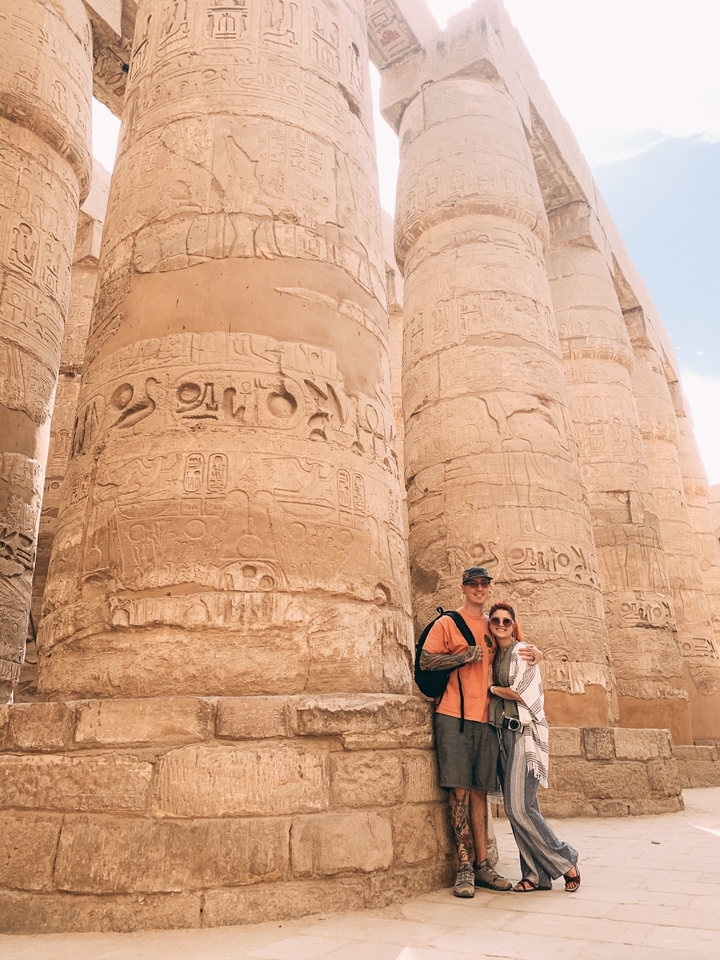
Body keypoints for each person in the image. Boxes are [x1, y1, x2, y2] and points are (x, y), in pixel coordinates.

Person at [420, 567, 542, 898]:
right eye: (472, 584)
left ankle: (483, 865)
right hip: (453, 716)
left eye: (483, 584)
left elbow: (519, 650)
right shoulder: (447, 623)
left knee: (479, 793)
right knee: (458, 791)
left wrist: (538, 653)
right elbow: (426, 661)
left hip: (487, 719)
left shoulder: (493, 624)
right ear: (463, 588)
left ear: (488, 589)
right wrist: (462, 657)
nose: (478, 588)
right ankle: (463, 867)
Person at [487, 601, 581, 893]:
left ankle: (565, 859)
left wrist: (491, 688)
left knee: (517, 808)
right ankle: (534, 874)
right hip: (500, 735)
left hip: (522, 735)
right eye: (496, 621)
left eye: (506, 621)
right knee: (523, 807)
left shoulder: (523, 651)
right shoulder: (494, 654)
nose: (501, 625)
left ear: (514, 624)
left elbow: (522, 693)